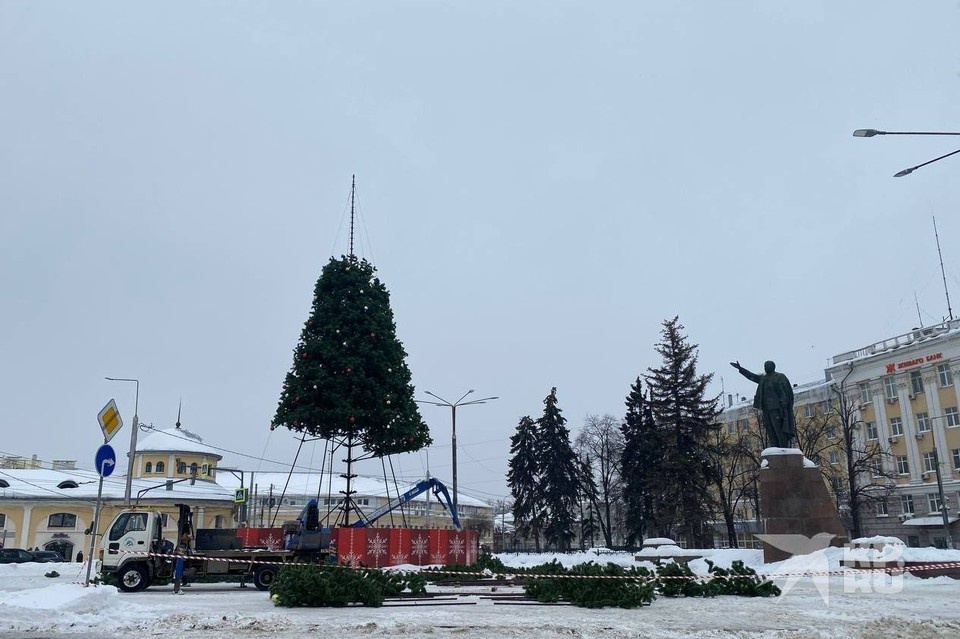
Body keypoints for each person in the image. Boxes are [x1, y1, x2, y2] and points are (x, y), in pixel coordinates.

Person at [730, 360, 796, 448]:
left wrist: (783, 405)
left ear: (772, 366)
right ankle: (775, 450)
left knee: (779, 430)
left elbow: (785, 391)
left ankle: (784, 449)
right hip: (766, 409)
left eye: (766, 366)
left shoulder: (779, 377)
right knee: (771, 431)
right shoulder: (764, 378)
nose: (765, 368)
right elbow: (752, 376)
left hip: (776, 409)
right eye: (764, 366)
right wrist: (740, 369)